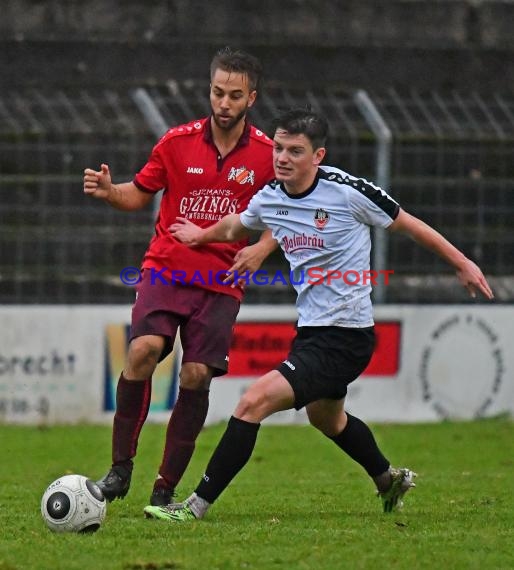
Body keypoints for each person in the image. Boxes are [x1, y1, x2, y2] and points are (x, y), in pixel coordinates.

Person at [142, 106, 494, 522]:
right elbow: (238, 224)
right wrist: (200, 235)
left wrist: (461, 263)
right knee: (327, 418)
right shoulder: (272, 196)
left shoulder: (347, 192)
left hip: (346, 335)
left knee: (251, 403)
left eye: (295, 150)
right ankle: (388, 480)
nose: (282, 158)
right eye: (278, 148)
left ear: (318, 157)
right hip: (311, 331)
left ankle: (193, 508)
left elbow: (409, 224)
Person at [83, 47, 277, 507]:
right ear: (208, 90)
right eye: (217, 92)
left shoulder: (270, 155)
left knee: (194, 376)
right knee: (142, 350)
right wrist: (112, 192)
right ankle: (119, 471)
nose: (223, 103)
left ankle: (165, 487)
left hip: (222, 281)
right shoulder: (176, 142)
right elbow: (138, 193)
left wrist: (262, 246)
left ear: (251, 98)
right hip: (166, 270)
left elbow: (287, 214)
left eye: (234, 95)